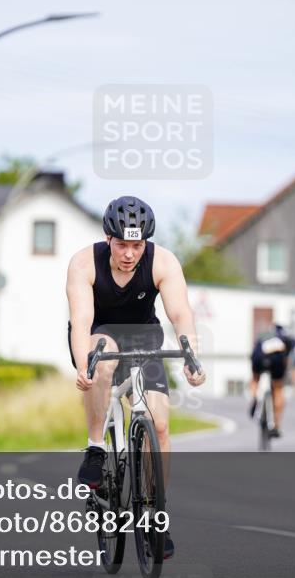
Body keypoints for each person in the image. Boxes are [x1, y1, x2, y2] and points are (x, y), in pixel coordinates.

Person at [66, 196, 206, 559]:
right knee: (105, 362)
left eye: (137, 246)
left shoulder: (163, 261)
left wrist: (191, 354)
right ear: (107, 238)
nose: (130, 254)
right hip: (99, 334)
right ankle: (96, 447)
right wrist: (85, 364)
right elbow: (81, 320)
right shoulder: (84, 262)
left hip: (144, 336)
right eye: (122, 245)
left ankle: (153, 514)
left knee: (159, 426)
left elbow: (180, 313)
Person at [247, 323, 295, 438]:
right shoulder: (285, 337)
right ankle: (276, 425)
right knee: (278, 389)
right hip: (277, 359)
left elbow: (253, 351)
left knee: (255, 379)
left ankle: (254, 398)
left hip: (259, 354)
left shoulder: (263, 335)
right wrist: (294, 372)